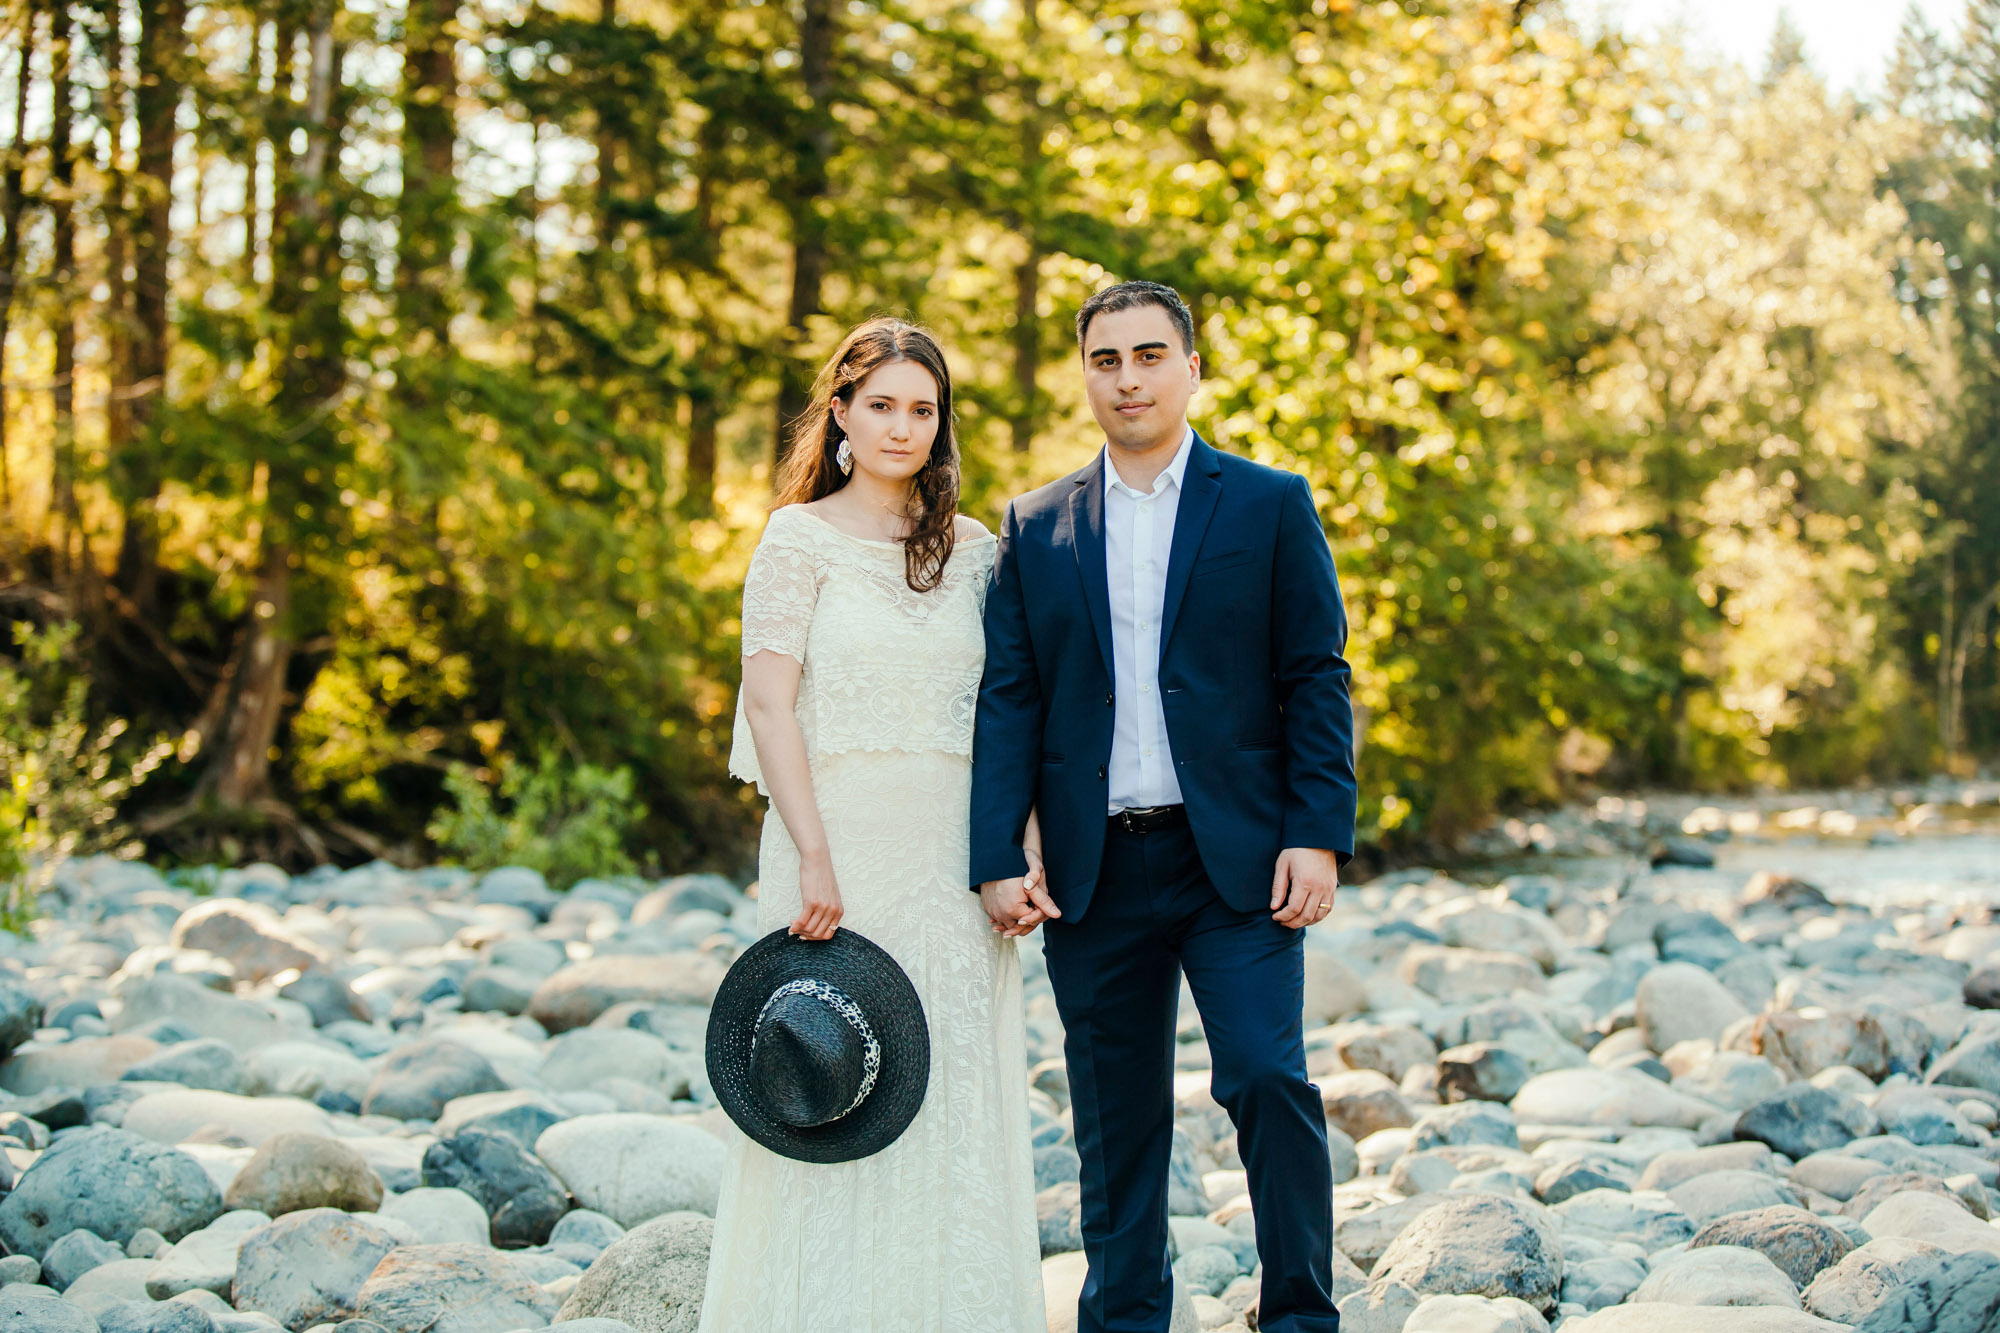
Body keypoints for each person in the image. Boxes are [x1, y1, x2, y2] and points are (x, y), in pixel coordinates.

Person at [971, 280, 1357, 1333]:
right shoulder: (1036, 523)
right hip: (1094, 873)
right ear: (1085, 375)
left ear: (1190, 368)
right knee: (1114, 1119)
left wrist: (1317, 832)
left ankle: (1297, 1317)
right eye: (1105, 360)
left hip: (1233, 859)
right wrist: (996, 851)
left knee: (1269, 1079)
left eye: (1148, 356)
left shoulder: (1268, 503)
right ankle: (1126, 1320)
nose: (1127, 377)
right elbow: (1011, 696)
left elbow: (1315, 674)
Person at [701, 317, 1046, 1331]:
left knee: (947, 1093)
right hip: (833, 846)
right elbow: (769, 705)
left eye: (922, 410)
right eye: (882, 405)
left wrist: (1013, 849)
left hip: (952, 858)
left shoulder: (977, 550)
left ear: (939, 427)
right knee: (824, 1073)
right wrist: (814, 854)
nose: (902, 427)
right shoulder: (795, 539)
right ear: (841, 412)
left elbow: (1008, 715)